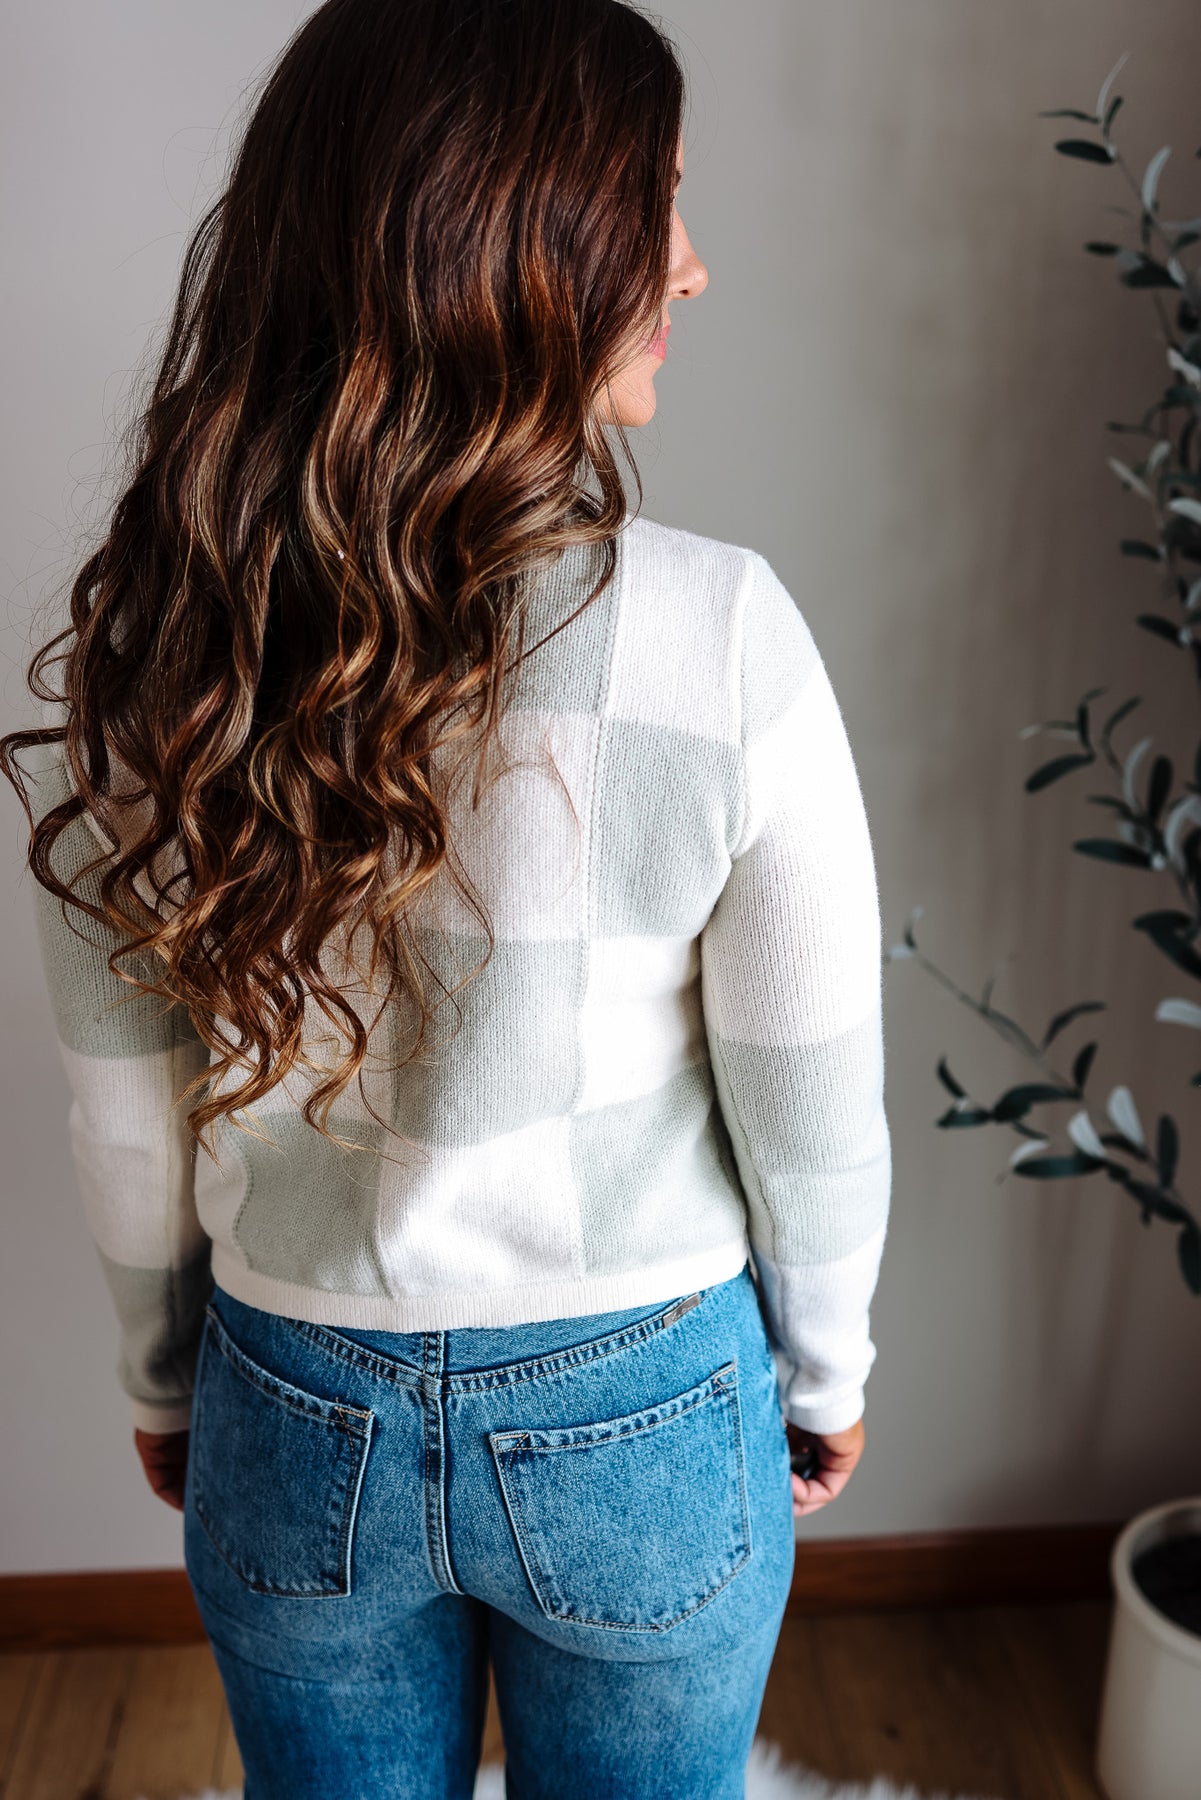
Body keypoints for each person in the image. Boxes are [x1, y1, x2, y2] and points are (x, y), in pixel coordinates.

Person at [1, 1, 891, 1794]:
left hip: (293, 1396)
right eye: (654, 205)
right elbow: (805, 1089)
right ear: (506, 239)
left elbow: (125, 1111)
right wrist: (824, 1368)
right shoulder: (722, 633)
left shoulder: (165, 647)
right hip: (642, 1394)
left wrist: (166, 1376)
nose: (692, 267)